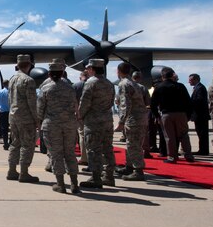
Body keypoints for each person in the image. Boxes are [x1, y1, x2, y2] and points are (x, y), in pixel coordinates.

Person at [37, 59, 79, 193]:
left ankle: (60, 184)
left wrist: (39, 124)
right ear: (62, 73)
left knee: (56, 154)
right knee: (70, 153)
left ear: (49, 74)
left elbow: (40, 109)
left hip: (52, 125)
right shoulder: (70, 87)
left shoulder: (45, 88)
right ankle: (74, 184)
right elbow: (74, 105)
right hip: (69, 124)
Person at [78, 59, 116, 188]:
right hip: (107, 120)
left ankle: (95, 178)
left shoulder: (91, 82)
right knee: (108, 149)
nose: (87, 70)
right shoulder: (109, 83)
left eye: (89, 68)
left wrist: (80, 116)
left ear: (93, 69)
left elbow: (85, 103)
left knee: (93, 150)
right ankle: (109, 176)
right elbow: (111, 101)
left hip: (93, 121)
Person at [6, 55, 40, 183]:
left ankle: (12, 170)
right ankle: (24, 172)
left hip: (13, 116)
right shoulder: (29, 80)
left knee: (15, 143)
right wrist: (37, 119)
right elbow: (32, 102)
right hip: (26, 118)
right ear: (29, 65)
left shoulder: (12, 79)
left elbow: (9, 99)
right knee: (27, 144)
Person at [151, 67, 195, 164]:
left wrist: (157, 116)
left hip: (166, 114)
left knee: (169, 136)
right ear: (172, 76)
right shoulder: (180, 86)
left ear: (162, 76)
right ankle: (188, 155)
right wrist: (187, 115)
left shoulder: (159, 87)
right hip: (181, 114)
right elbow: (188, 102)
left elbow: (153, 103)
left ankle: (172, 156)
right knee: (184, 135)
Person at [115, 62, 149, 181]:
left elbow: (126, 104)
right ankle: (129, 167)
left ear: (118, 71)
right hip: (139, 117)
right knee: (131, 143)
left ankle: (138, 171)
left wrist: (121, 121)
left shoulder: (124, 84)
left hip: (133, 119)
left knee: (134, 145)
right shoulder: (134, 83)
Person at [189, 73, 210, 155]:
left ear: (196, 79)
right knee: (200, 133)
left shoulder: (200, 88)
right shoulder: (197, 88)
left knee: (202, 133)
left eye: (190, 80)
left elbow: (199, 100)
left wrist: (189, 103)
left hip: (201, 115)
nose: (189, 82)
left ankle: (203, 150)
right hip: (199, 115)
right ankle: (202, 149)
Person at [0, 80, 10, 149]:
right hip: (11, 112)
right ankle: (12, 142)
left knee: (4, 128)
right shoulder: (11, 92)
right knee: (13, 128)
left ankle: (5, 143)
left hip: (3, 112)